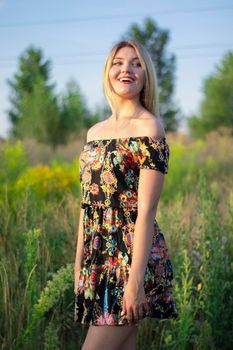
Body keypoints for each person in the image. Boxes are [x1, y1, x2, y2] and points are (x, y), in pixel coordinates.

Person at [74, 38, 178, 350]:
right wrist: (79, 264)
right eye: (118, 62)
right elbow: (88, 204)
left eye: (136, 63)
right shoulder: (94, 133)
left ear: (146, 76)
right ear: (108, 71)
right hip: (98, 261)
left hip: (130, 261)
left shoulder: (149, 128)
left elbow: (146, 212)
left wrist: (134, 282)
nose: (126, 69)